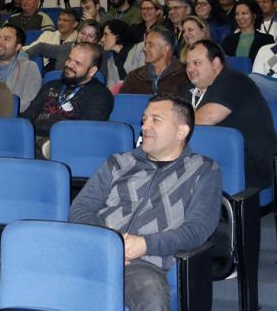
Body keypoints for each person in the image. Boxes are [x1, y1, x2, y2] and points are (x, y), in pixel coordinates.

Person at [69, 95, 222, 311]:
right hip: (93, 250)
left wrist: (144, 245)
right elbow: (81, 207)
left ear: (181, 132)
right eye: (144, 119)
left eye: (155, 120)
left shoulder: (203, 170)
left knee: (151, 296)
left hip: (143, 263)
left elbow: (198, 229)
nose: (144, 127)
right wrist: (107, 243)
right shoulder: (119, 162)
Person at [186, 40, 277, 190]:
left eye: (196, 63)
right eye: (187, 64)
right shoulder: (190, 89)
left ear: (215, 63)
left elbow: (206, 118)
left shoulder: (235, 81)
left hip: (252, 165)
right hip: (218, 157)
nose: (190, 69)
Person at [22, 43, 113, 158]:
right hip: (32, 141)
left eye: (78, 63)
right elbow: (29, 115)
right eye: (69, 59)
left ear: (92, 70)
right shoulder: (51, 85)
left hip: (65, 147)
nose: (69, 65)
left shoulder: (100, 95)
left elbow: (86, 131)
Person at [120, 28, 189, 96]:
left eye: (150, 45)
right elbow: (123, 103)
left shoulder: (185, 74)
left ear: (165, 49)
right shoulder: (134, 77)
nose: (144, 49)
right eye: (145, 44)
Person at [24, 20, 102, 74]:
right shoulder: (67, 46)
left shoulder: (100, 55)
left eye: (90, 36)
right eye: (82, 33)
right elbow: (41, 47)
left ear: (96, 40)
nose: (84, 38)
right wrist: (22, 56)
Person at [0, 24, 42, 112]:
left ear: (18, 46)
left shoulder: (29, 67)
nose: (0, 42)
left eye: (6, 39)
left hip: (15, 121)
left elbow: (28, 102)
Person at [100, 19, 144, 88]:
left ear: (118, 36)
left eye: (106, 34)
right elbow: (111, 88)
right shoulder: (111, 62)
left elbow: (145, 79)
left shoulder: (140, 49)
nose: (102, 39)